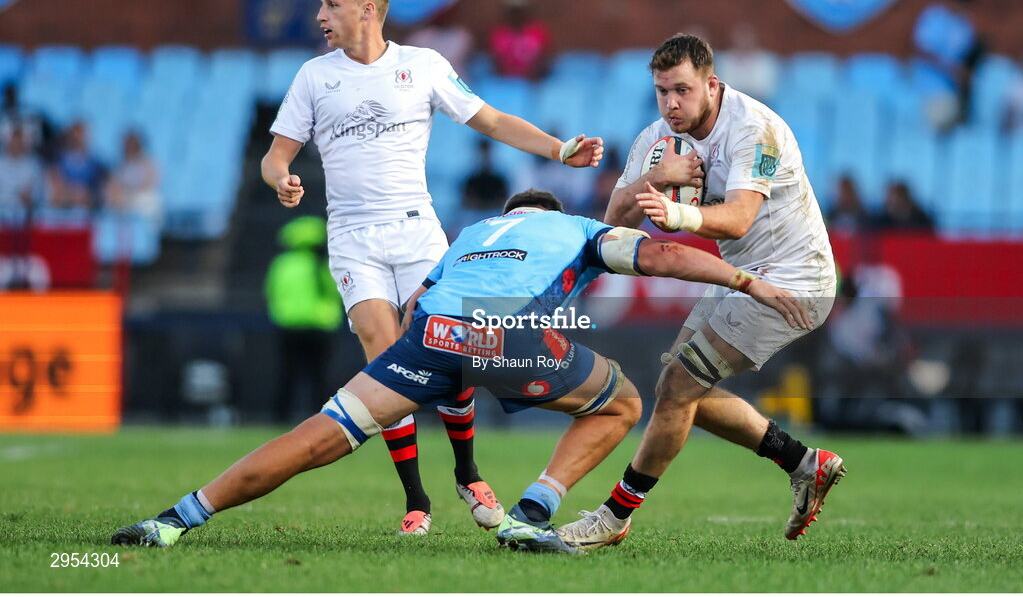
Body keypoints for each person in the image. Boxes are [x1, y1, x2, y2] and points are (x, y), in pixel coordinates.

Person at [111, 189, 811, 553]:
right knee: (620, 402)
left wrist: (438, 374)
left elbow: (419, 303)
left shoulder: (472, 234)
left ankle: (178, 518)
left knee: (322, 431)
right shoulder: (574, 229)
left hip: (431, 334)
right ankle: (530, 512)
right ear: (548, 210)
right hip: (503, 332)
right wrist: (745, 283)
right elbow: (660, 257)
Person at [261, 0, 603, 535]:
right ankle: (416, 499)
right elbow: (276, 155)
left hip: (418, 231)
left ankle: (467, 472)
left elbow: (489, 118)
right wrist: (281, 177)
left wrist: (559, 149)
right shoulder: (313, 77)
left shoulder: (422, 65)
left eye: (331, 3)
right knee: (384, 356)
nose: (320, 15)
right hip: (352, 237)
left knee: (451, 349)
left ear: (368, 10)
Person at [556, 33, 843, 550]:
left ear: (712, 84)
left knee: (680, 385)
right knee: (681, 385)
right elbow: (612, 221)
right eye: (662, 92)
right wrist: (656, 176)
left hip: (795, 278)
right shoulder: (659, 140)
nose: (671, 104)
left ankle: (614, 516)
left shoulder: (756, 131)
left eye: (683, 90)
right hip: (743, 274)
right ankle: (804, 464)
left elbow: (737, 220)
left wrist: (678, 212)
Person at [265, 216, 344, 422]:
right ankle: (323, 419)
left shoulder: (282, 264)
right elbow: (335, 291)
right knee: (319, 376)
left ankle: (279, 419)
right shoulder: (324, 264)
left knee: (287, 374)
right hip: (320, 327)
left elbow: (272, 292)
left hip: (288, 326)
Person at [912, 0, 984, 131]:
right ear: (951, 0)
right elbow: (923, 51)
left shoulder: (964, 24)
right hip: (930, 86)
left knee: (957, 133)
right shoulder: (934, 16)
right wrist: (951, 70)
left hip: (955, 89)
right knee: (936, 129)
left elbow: (967, 54)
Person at [487, 0, 550, 81]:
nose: (517, 14)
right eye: (513, 10)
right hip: (505, 84)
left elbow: (546, 60)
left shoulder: (537, 32)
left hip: (533, 85)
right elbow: (494, 63)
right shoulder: (499, 33)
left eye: (520, 10)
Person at [47, 121, 106, 211]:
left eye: (82, 134)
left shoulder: (96, 164)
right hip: (64, 210)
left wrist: (86, 195)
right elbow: (56, 191)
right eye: (76, 133)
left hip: (89, 211)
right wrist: (73, 195)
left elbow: (100, 191)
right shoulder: (58, 160)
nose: (78, 138)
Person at [104, 130, 161, 221]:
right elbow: (112, 187)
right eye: (127, 144)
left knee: (149, 200)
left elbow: (149, 185)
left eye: (132, 143)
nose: (129, 147)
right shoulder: (118, 165)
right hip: (123, 201)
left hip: (141, 201)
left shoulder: (149, 163)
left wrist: (128, 193)